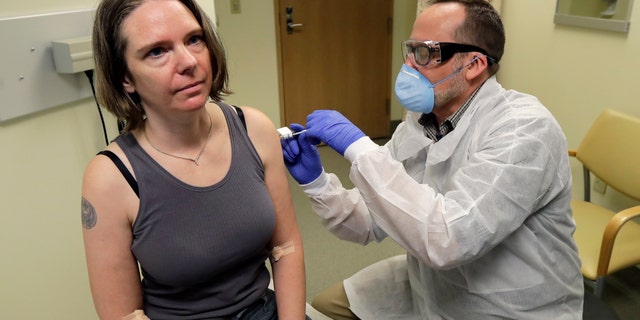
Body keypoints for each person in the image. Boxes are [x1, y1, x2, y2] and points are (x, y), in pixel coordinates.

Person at [281, 0, 584, 319]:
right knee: (324, 306)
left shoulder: (524, 129)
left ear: (474, 64)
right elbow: (369, 222)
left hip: (508, 304)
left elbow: (449, 239)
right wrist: (316, 183)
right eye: (410, 50)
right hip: (432, 283)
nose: (408, 65)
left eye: (425, 53)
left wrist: (359, 149)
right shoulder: (420, 121)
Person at [81, 0, 308, 319]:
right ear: (125, 78)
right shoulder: (110, 177)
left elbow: (287, 248)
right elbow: (123, 314)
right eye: (157, 51)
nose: (189, 62)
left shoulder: (254, 128)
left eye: (194, 39)